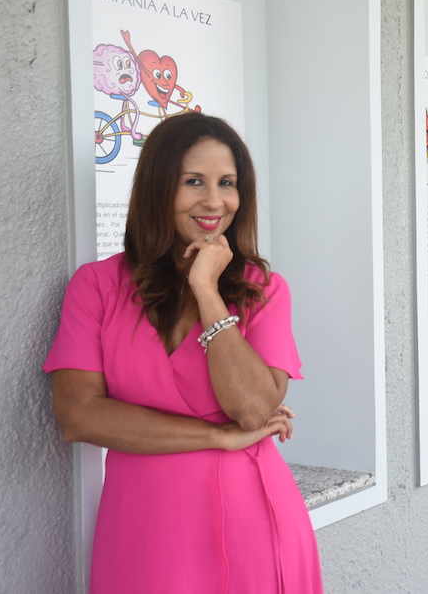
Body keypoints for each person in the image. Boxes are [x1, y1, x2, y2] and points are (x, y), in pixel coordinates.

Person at [44, 113, 323, 593]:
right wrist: (217, 438)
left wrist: (208, 292)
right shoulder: (96, 287)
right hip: (142, 527)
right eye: (193, 181)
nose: (214, 201)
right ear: (158, 187)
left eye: (227, 183)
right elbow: (78, 416)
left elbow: (254, 408)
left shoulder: (264, 291)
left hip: (251, 521)